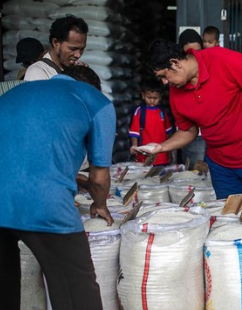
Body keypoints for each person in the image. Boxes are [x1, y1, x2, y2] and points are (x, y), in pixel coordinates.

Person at [0, 65, 116, 310]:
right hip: (43, 201)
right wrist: (100, 204)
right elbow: (98, 177)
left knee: (5, 287)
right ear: (93, 87)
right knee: (75, 285)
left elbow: (21, 154)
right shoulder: (96, 101)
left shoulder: (15, 93)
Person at [142, 39, 242, 210]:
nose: (164, 82)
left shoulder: (222, 60)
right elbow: (188, 131)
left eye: (163, 75)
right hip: (222, 163)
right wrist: (160, 147)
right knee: (231, 220)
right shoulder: (176, 93)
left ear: (175, 63)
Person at [24, 15, 88, 81]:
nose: (78, 55)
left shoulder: (76, 70)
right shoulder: (37, 72)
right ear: (56, 43)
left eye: (82, 49)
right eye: (73, 49)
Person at [177, 29, 207, 169]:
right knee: (194, 176)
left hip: (215, 135)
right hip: (195, 137)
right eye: (189, 53)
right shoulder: (178, 78)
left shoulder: (212, 67)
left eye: (198, 51)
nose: (195, 56)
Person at [129, 78, 174, 166]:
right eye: (149, 98)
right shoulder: (139, 111)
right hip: (145, 156)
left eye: (155, 98)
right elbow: (134, 133)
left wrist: (169, 153)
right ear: (143, 95)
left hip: (162, 155)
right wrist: (134, 146)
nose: (152, 101)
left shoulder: (162, 111)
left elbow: (168, 133)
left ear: (160, 96)